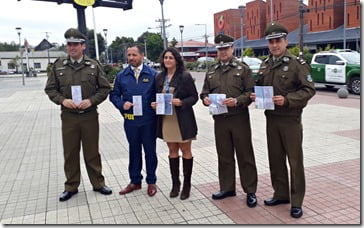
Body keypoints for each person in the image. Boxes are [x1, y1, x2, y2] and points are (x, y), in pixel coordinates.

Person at [250, 22, 316, 218]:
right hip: (271, 119)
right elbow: (259, 86)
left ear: (286, 41)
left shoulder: (297, 64)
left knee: (295, 162)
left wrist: (287, 100)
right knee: (276, 159)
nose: (274, 45)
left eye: (278, 41)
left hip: (290, 119)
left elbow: (309, 89)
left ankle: (296, 201)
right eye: (271, 42)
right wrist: (255, 95)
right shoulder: (265, 64)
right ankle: (280, 194)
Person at [44, 28, 112, 202]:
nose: (72, 47)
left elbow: (105, 89)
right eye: (69, 44)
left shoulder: (93, 65)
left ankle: (98, 183)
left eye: (75, 44)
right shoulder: (58, 66)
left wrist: (91, 101)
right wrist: (62, 101)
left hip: (89, 116)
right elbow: (50, 89)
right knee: (70, 152)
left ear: (83, 46)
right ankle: (71, 186)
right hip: (69, 117)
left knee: (92, 152)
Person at [200, 34, 258, 208]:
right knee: (224, 155)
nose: (223, 52)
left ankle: (250, 191)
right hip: (220, 120)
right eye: (220, 49)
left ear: (232, 48)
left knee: (244, 154)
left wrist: (238, 101)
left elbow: (250, 92)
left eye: (226, 48)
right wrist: (205, 100)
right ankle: (227, 187)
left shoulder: (242, 68)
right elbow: (203, 92)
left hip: (238, 118)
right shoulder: (211, 70)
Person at [109, 44, 158, 197]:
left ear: (142, 56)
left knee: (150, 151)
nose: (131, 58)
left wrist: (157, 104)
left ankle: (151, 181)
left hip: (149, 120)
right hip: (130, 120)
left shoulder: (153, 75)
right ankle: (135, 181)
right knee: (134, 150)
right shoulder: (121, 76)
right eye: (129, 55)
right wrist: (122, 104)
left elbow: (161, 94)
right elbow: (114, 95)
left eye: (134, 55)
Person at [151, 47, 198, 200]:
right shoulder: (159, 77)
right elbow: (155, 96)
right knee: (172, 150)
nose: (168, 60)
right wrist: (154, 105)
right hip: (166, 119)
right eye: (165, 58)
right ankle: (175, 184)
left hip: (182, 120)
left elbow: (194, 97)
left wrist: (182, 102)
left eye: (171, 58)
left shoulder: (184, 76)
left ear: (177, 60)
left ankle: (187, 185)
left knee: (185, 150)